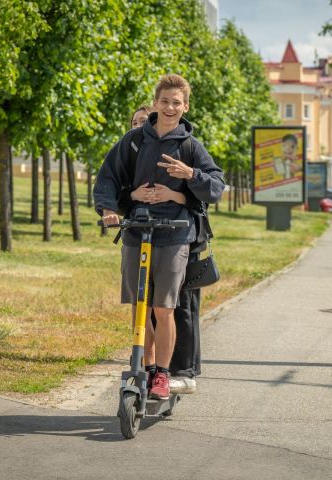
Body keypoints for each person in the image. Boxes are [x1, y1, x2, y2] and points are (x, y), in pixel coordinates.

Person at [94, 74, 225, 400]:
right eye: (164, 101)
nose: (170, 107)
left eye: (176, 102)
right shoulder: (134, 141)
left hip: (175, 234)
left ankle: (163, 375)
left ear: (186, 106)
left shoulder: (190, 146)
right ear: (155, 103)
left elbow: (216, 186)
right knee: (140, 306)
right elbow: (108, 177)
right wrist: (110, 208)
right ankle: (146, 368)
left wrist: (189, 175)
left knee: (163, 307)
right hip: (137, 231)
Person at [129, 103, 210, 395]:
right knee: (146, 307)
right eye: (135, 122)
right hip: (145, 236)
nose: (140, 126)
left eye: (143, 121)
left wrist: (177, 192)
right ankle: (149, 368)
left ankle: (182, 371)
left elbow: (203, 194)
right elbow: (117, 188)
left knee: (179, 307)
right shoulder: (132, 151)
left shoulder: (182, 147)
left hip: (183, 236)